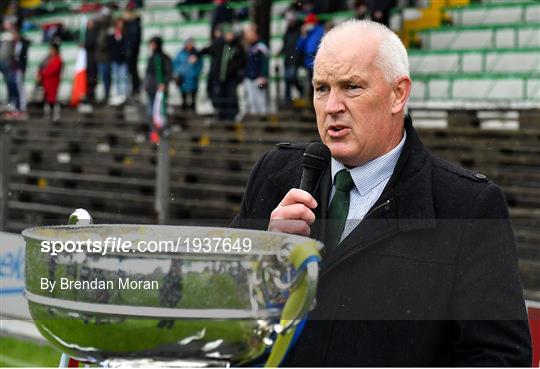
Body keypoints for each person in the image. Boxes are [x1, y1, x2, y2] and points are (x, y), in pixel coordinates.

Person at [231, 20, 531, 366]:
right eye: (321, 88)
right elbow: (215, 307)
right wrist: (261, 258)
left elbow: (501, 357)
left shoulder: (466, 205)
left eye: (352, 87)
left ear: (398, 94)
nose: (332, 106)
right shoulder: (273, 174)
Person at [243, 23, 268, 115]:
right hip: (250, 77)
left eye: (248, 33)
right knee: (251, 102)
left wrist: (263, 75)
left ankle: (263, 123)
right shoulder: (250, 46)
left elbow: (265, 61)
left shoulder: (261, 45)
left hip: (258, 78)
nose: (246, 35)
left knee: (261, 102)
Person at [279, 10, 303, 105]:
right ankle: (287, 100)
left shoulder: (298, 32)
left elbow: (298, 46)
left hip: (295, 59)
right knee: (287, 80)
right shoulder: (287, 32)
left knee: (291, 78)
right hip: (288, 60)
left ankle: (299, 92)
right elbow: (285, 45)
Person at [172, 37, 203, 112]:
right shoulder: (181, 53)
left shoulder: (196, 53)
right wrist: (179, 71)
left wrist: (195, 73)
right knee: (183, 94)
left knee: (193, 94)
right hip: (183, 77)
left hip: (193, 78)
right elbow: (175, 63)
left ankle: (193, 108)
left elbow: (200, 65)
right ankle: (184, 108)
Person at [37, 42, 62, 122]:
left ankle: (56, 115)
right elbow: (41, 67)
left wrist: (43, 73)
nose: (51, 51)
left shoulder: (58, 59)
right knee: (47, 100)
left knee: (53, 100)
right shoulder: (48, 58)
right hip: (46, 82)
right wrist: (40, 74)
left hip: (53, 82)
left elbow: (52, 71)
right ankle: (48, 115)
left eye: (52, 50)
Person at [123, 1, 142, 98]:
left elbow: (133, 39)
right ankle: (134, 88)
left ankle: (135, 88)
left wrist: (129, 49)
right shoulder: (131, 24)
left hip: (132, 51)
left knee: (132, 70)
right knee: (132, 70)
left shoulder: (133, 24)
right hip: (131, 50)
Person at [108, 17, 128, 104]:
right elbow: (111, 47)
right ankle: (117, 94)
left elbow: (126, 47)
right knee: (116, 78)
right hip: (115, 60)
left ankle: (123, 94)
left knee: (123, 78)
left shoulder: (125, 34)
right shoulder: (112, 35)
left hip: (123, 60)